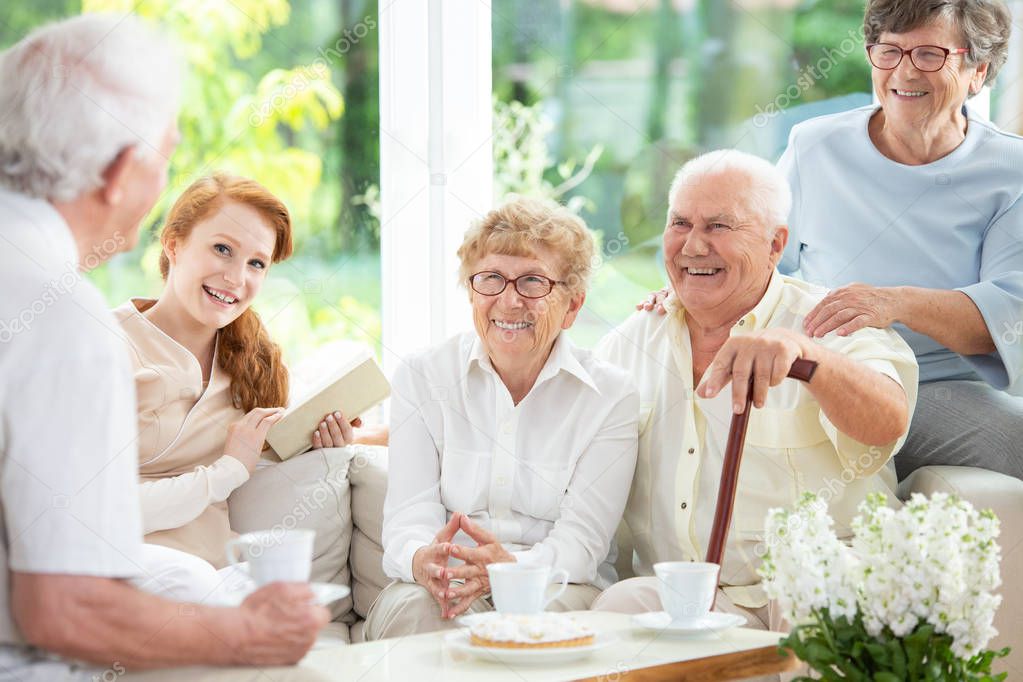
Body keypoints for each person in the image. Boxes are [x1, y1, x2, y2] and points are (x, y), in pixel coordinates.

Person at [0, 15, 327, 680]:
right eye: (165, 158)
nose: (238, 277)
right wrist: (250, 636)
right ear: (123, 172)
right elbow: (65, 609)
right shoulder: (67, 321)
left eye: (257, 263)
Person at [642, 0, 1022, 480]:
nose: (904, 72)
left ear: (978, 71)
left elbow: (1007, 318)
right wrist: (695, 290)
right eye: (889, 52)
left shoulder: (1011, 170)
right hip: (820, 363)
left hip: (936, 385)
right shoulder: (814, 145)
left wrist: (895, 303)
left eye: (929, 54)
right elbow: (761, 257)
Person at [593, 151, 918, 641]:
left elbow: (888, 421)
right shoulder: (630, 342)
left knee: (816, 588)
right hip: (692, 594)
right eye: (680, 223)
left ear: (774, 244)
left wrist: (807, 357)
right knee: (619, 607)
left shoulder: (827, 321)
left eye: (719, 226)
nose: (694, 246)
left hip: (818, 575)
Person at [364, 196, 639, 639]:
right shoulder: (422, 375)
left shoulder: (609, 395)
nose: (509, 302)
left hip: (554, 586)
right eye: (491, 279)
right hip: (444, 582)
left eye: (533, 282)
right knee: (418, 612)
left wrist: (507, 570)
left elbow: (581, 546)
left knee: (534, 624)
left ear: (572, 305)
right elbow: (408, 516)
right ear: (472, 291)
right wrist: (423, 559)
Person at [115, 173, 371, 605]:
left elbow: (279, 435)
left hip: (218, 576)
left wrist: (334, 436)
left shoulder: (252, 365)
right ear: (173, 244)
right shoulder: (104, 347)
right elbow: (105, 511)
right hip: (120, 570)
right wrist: (226, 472)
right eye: (222, 249)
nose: (236, 278)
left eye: (256, 263)